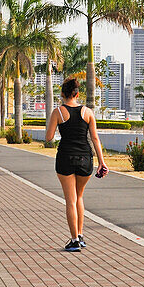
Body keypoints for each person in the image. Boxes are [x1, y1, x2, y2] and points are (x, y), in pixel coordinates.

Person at [45, 77, 108, 252]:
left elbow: (48, 137)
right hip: (85, 158)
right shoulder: (87, 112)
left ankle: (74, 241)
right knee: (79, 197)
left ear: (63, 94)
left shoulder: (58, 112)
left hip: (65, 157)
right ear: (77, 94)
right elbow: (95, 138)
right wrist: (102, 162)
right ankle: (80, 235)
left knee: (70, 200)